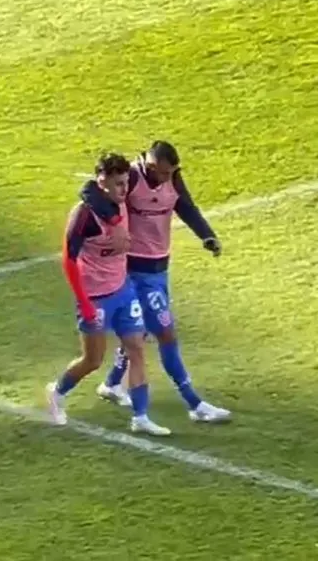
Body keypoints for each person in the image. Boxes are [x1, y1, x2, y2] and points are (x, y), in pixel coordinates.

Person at [80, 140, 231, 423]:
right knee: (165, 334)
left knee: (139, 333)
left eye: (169, 172)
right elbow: (89, 190)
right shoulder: (132, 176)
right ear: (148, 164)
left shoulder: (172, 177)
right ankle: (195, 404)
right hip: (136, 271)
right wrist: (114, 222)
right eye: (160, 172)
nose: (165, 178)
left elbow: (185, 206)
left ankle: (112, 384)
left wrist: (207, 235)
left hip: (160, 268)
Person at [47, 152, 171, 436]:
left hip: (123, 288)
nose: (125, 189)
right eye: (118, 184)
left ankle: (141, 417)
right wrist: (85, 303)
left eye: (126, 182)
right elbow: (68, 260)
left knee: (136, 347)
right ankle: (57, 391)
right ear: (102, 182)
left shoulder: (119, 202)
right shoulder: (83, 215)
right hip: (95, 297)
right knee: (92, 360)